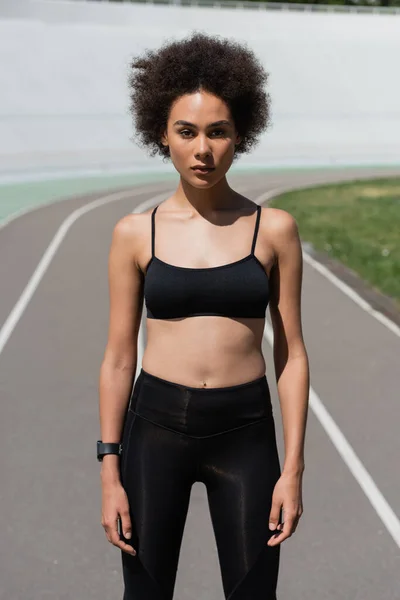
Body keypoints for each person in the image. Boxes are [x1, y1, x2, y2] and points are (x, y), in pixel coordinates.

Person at [98, 31, 310, 600]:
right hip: (155, 430)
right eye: (185, 132)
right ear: (160, 134)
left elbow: (290, 355)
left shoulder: (276, 230)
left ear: (240, 134)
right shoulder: (133, 234)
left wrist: (292, 469)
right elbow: (120, 358)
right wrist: (109, 469)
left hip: (245, 433)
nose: (202, 150)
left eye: (218, 132)